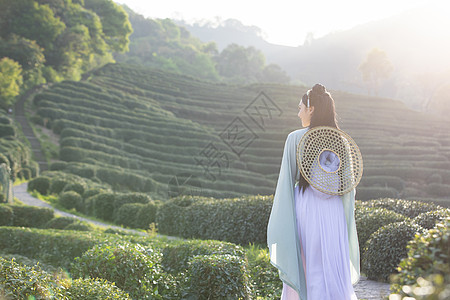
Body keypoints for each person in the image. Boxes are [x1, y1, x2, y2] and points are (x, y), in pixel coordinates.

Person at [267, 84, 360, 300]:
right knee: (327, 262)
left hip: (306, 207)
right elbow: (348, 186)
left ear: (311, 109)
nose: (298, 112)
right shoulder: (341, 141)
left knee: (307, 262)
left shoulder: (295, 138)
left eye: (300, 108)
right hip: (334, 210)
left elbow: (285, 182)